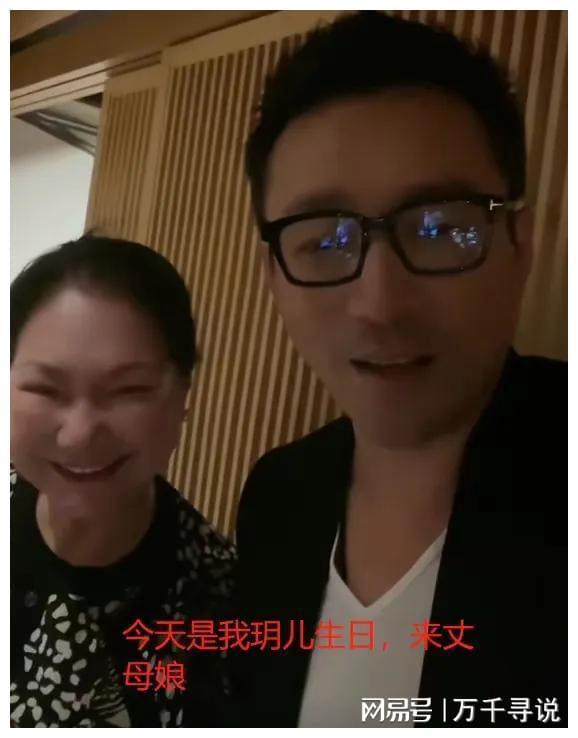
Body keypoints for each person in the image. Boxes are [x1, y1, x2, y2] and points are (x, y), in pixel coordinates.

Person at [233, 11, 567, 728]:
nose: (380, 305)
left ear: (519, 243)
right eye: (325, 242)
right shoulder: (277, 497)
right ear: (273, 277)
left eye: (441, 228)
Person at [10, 235, 236, 727]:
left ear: (183, 396)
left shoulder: (227, 602)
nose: (80, 433)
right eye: (46, 388)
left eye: (128, 390)